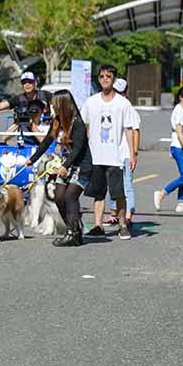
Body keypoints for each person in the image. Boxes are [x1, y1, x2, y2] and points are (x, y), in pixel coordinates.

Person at [26, 90, 92, 247]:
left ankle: (72, 234)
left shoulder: (77, 123)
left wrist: (65, 166)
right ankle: (73, 228)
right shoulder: (57, 122)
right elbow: (47, 141)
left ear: (63, 105)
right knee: (58, 196)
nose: (51, 108)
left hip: (81, 166)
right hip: (65, 165)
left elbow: (77, 149)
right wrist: (32, 159)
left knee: (70, 196)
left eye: (54, 105)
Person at [79, 65, 137, 239]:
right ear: (98, 79)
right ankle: (98, 225)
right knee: (98, 193)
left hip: (116, 156)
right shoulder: (91, 102)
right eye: (102, 76)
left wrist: (132, 154)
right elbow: (84, 126)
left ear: (114, 79)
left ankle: (122, 225)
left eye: (109, 76)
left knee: (119, 193)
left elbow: (129, 130)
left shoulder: (123, 103)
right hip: (96, 156)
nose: (105, 79)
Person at [104, 78, 141, 235]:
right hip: (113, 153)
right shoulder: (110, 108)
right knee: (113, 184)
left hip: (126, 153)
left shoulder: (129, 109)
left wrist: (134, 153)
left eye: (121, 92)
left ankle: (128, 215)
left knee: (127, 185)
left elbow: (135, 131)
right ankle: (114, 213)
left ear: (126, 93)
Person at [155, 87, 183, 214]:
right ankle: (162, 193)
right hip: (180, 148)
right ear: (181, 97)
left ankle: (181, 203)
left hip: (180, 147)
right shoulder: (179, 111)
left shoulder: (182, 111)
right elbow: (179, 133)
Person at [0, 71, 51, 142]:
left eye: (30, 82)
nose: (27, 84)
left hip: (44, 127)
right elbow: (1, 105)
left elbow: (59, 102)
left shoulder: (45, 95)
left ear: (35, 83)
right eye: (24, 82)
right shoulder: (18, 99)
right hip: (24, 134)